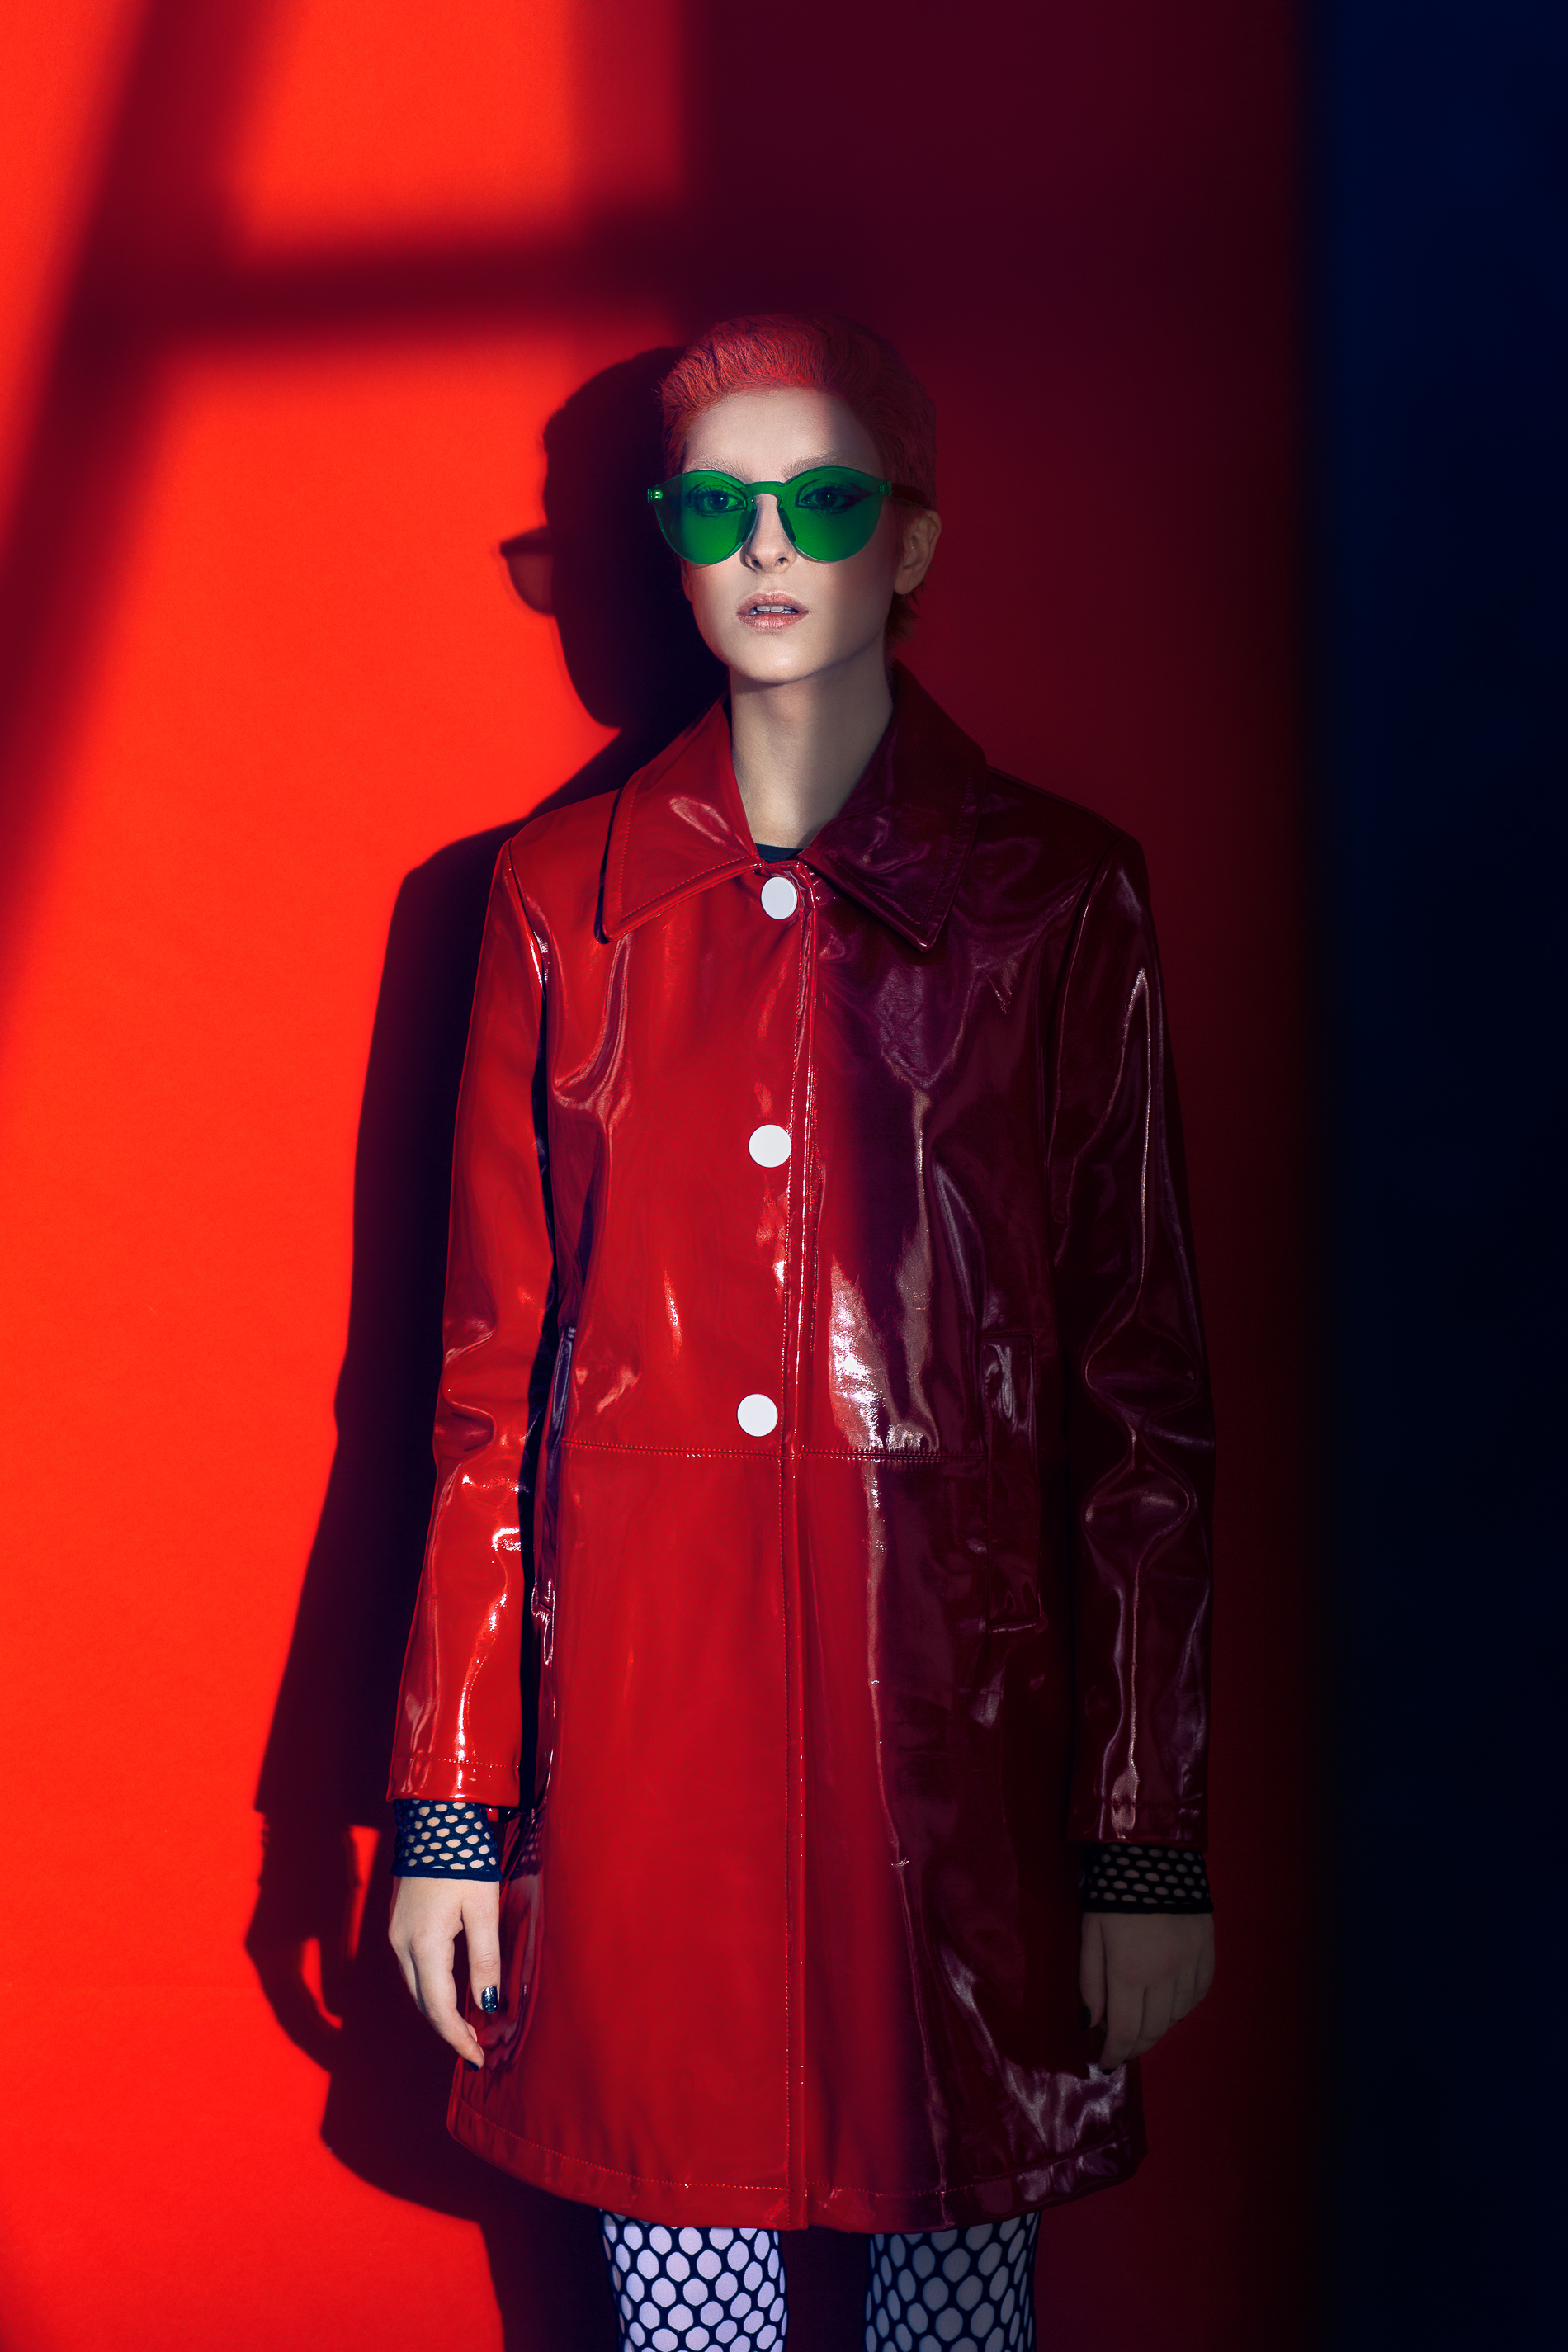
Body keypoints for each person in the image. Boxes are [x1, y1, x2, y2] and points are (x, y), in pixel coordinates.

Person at [386, 314, 1216, 2351]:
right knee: (680, 2294)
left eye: (825, 500)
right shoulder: (552, 901)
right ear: (668, 548)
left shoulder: (1058, 900)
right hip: (639, 1771)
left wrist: (1136, 1845)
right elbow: (488, 1388)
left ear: (908, 540)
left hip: (961, 1771)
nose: (768, 547)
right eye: (717, 508)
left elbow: (1140, 1409)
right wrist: (451, 1811)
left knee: (953, 2291)